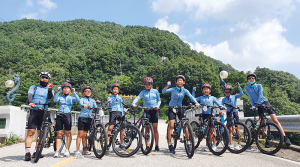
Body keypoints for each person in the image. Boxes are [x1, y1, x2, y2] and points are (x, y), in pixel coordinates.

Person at [245, 73, 291, 146]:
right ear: (247, 80)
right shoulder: (247, 87)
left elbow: (260, 95)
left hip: (264, 102)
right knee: (263, 123)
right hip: (258, 104)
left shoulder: (259, 85)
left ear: (255, 79)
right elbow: (250, 97)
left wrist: (258, 104)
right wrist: (253, 105)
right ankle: (267, 141)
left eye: (252, 78)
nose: (251, 79)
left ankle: (285, 137)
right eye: (249, 78)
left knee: (275, 120)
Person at [162, 75, 200, 154]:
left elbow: (191, 97)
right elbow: (163, 91)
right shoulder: (173, 89)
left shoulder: (185, 90)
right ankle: (170, 144)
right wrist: (167, 86)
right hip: (171, 107)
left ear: (184, 82)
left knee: (185, 124)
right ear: (176, 82)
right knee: (171, 125)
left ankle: (189, 142)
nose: (180, 81)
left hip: (180, 108)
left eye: (181, 80)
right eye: (178, 80)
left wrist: (196, 103)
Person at [25, 72, 54, 161]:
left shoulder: (50, 89)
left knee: (40, 133)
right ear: (39, 78)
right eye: (43, 77)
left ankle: (37, 151)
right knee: (30, 132)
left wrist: (49, 90)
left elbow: (50, 97)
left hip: (44, 111)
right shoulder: (34, 87)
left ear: (48, 80)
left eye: (46, 78)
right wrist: (31, 102)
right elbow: (30, 95)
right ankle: (27, 152)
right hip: (34, 110)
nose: (44, 79)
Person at [192, 83, 226, 151]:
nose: (206, 90)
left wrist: (222, 107)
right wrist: (193, 92)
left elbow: (218, 104)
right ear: (202, 91)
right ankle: (208, 145)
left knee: (213, 129)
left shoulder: (212, 98)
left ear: (210, 90)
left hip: (211, 114)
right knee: (207, 130)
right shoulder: (201, 97)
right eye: (204, 89)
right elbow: (193, 99)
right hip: (204, 115)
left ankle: (214, 145)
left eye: (207, 89)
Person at [132, 77, 161, 151]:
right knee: (146, 128)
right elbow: (138, 97)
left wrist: (158, 106)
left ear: (151, 84)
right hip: (147, 110)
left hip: (154, 110)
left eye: (148, 84)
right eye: (145, 84)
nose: (147, 85)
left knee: (155, 128)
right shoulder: (143, 92)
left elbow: (159, 100)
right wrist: (134, 103)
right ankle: (147, 145)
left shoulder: (155, 91)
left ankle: (157, 145)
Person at [53, 82, 80, 157]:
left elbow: (78, 100)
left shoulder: (71, 98)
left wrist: (74, 93)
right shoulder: (60, 97)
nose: (66, 89)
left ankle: (67, 149)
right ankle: (57, 151)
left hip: (68, 115)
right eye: (64, 88)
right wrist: (58, 92)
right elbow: (55, 100)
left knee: (68, 133)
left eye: (68, 88)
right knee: (59, 133)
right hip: (60, 115)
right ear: (62, 90)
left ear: (70, 90)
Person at [75, 85, 101, 157]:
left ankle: (85, 149)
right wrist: (84, 105)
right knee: (80, 134)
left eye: (89, 91)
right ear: (83, 93)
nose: (88, 92)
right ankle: (77, 150)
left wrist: (98, 104)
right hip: (82, 118)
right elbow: (81, 103)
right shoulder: (82, 99)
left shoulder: (92, 100)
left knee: (85, 135)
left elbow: (96, 108)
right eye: (86, 91)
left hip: (89, 118)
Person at [221, 83, 244, 150]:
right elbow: (222, 106)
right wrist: (221, 109)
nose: (227, 93)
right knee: (230, 129)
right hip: (229, 113)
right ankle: (230, 143)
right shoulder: (224, 99)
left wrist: (239, 87)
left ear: (231, 91)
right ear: (224, 92)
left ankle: (239, 144)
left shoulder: (234, 96)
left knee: (237, 128)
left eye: (228, 91)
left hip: (235, 112)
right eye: (225, 91)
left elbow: (241, 94)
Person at [106, 83, 124, 151]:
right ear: (111, 90)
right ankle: (107, 143)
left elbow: (121, 106)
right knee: (110, 128)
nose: (115, 90)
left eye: (117, 89)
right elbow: (109, 106)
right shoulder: (109, 98)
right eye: (114, 89)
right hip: (113, 112)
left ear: (118, 91)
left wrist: (122, 113)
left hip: (119, 112)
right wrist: (109, 103)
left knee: (122, 128)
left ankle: (122, 144)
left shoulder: (120, 98)